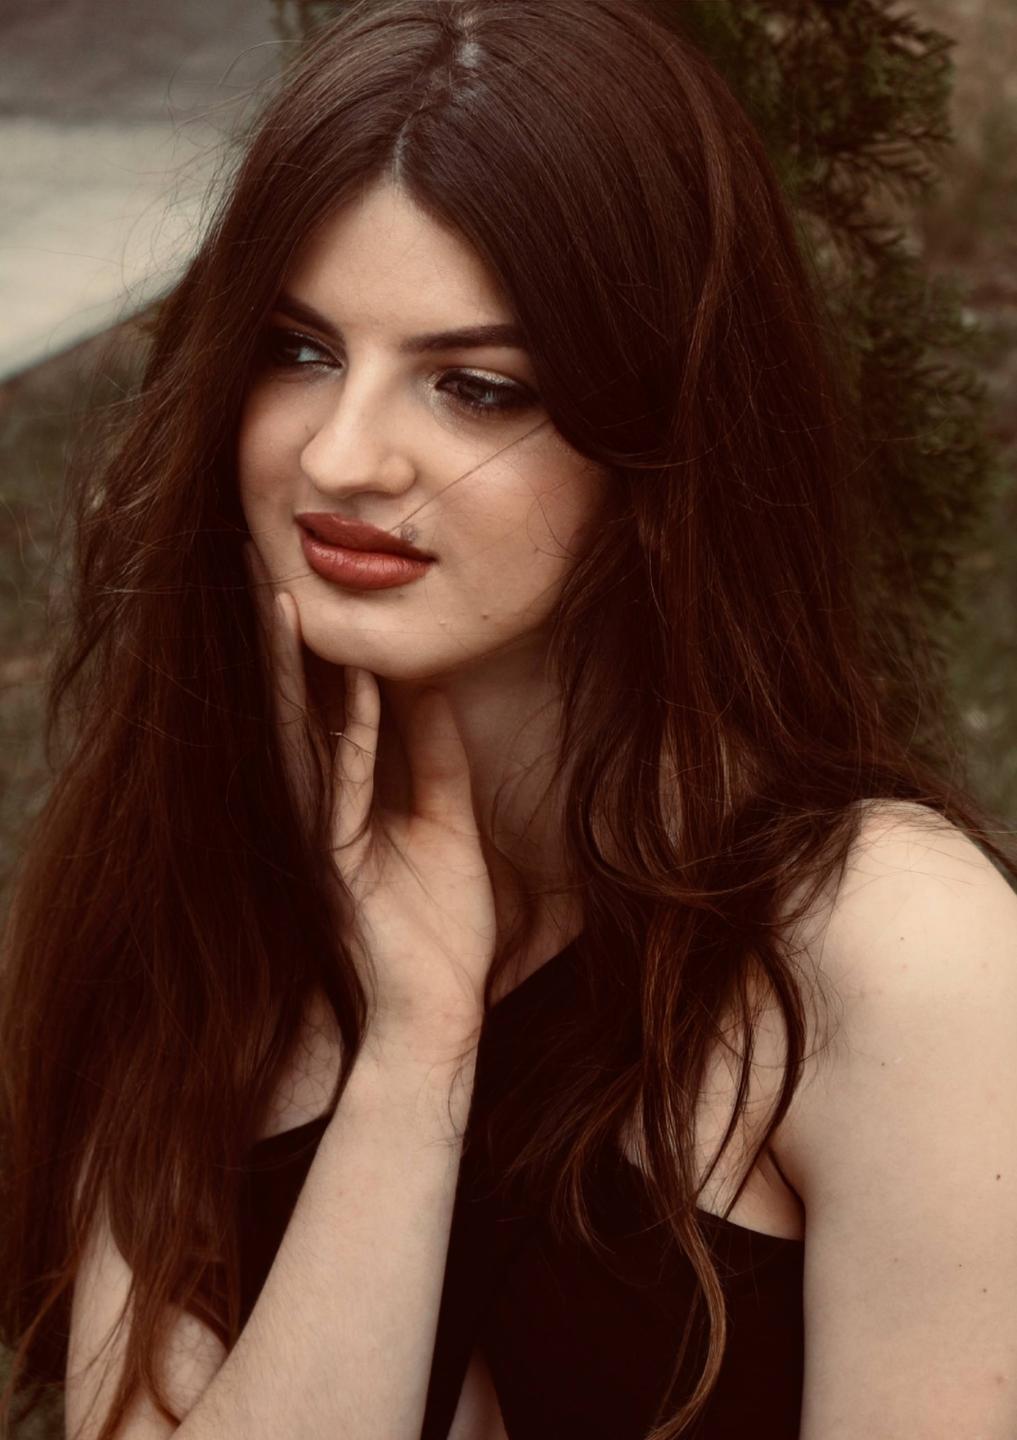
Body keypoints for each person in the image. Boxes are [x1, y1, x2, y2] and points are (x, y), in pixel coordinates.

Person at [1, 0, 1015, 1437]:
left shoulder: (895, 957)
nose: (343, 455)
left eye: (474, 387)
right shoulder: (211, 880)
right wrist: (412, 1056)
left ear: (660, 443)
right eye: (298, 351)